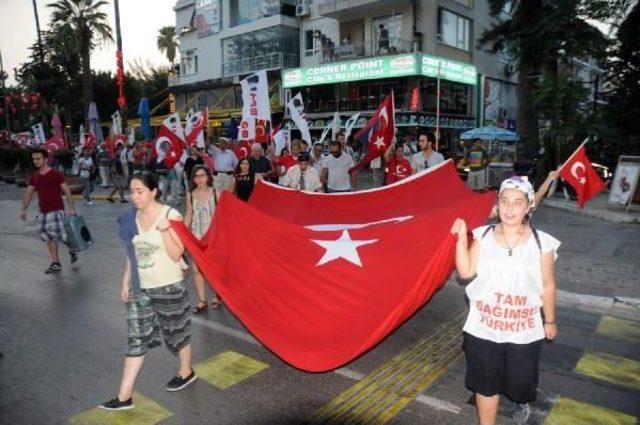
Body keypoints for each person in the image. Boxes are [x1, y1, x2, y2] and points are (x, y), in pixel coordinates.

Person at [450, 176, 560, 425]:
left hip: (523, 331)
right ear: (497, 205)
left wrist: (550, 321)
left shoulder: (541, 242)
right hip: (483, 328)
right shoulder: (483, 234)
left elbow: (548, 285)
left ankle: (521, 400)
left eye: (517, 202)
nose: (510, 208)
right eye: (504, 201)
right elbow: (465, 273)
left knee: (520, 384)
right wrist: (459, 238)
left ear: (529, 206)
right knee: (486, 384)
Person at [101, 174, 195, 411]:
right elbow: (132, 254)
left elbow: (177, 255)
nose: (135, 196)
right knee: (135, 340)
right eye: (132, 191)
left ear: (154, 191)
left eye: (140, 191)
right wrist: (125, 282)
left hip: (168, 285)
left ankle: (186, 371)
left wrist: (165, 232)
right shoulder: (130, 217)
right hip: (140, 289)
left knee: (177, 333)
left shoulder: (170, 216)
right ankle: (124, 396)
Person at [20, 149, 78, 273]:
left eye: (38, 158)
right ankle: (55, 262)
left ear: (46, 159)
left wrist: (71, 207)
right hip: (42, 212)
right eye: (34, 159)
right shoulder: (34, 176)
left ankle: (72, 248)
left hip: (56, 210)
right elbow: (29, 193)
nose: (35, 161)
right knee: (48, 236)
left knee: (61, 236)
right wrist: (24, 209)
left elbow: (66, 191)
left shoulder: (56, 174)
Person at [184, 165, 221, 313]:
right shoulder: (190, 195)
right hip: (196, 237)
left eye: (202, 175)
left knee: (213, 269)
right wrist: (182, 233)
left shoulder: (216, 193)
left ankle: (217, 294)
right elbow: (188, 216)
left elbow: (221, 217)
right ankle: (202, 301)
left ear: (208, 177)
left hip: (212, 237)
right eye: (197, 176)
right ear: (193, 179)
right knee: (197, 269)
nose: (200, 179)